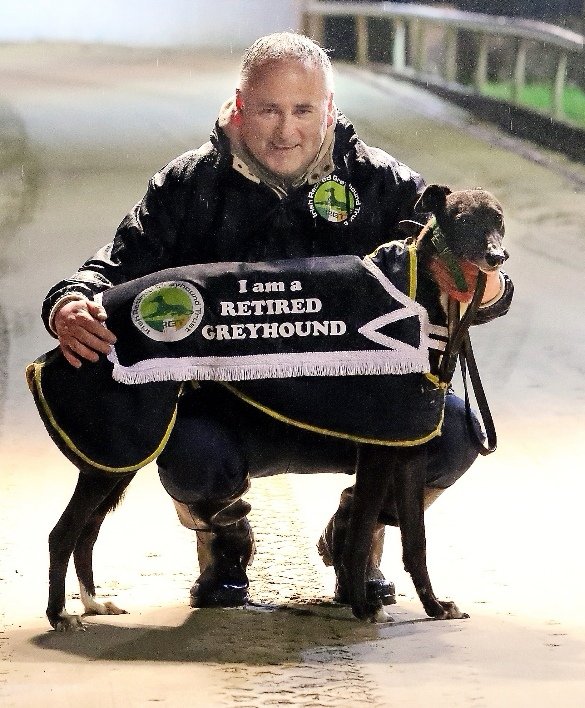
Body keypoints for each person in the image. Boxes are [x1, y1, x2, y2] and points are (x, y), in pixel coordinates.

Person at [42, 32, 513, 609]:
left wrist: (483, 288)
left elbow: (463, 265)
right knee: (184, 450)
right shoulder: (188, 185)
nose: (285, 131)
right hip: (234, 411)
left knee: (455, 432)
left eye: (302, 110)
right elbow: (108, 271)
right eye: (268, 110)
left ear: (331, 110)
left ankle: (357, 533)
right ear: (239, 106)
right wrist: (71, 302)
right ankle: (222, 538)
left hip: (354, 410)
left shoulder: (380, 183)